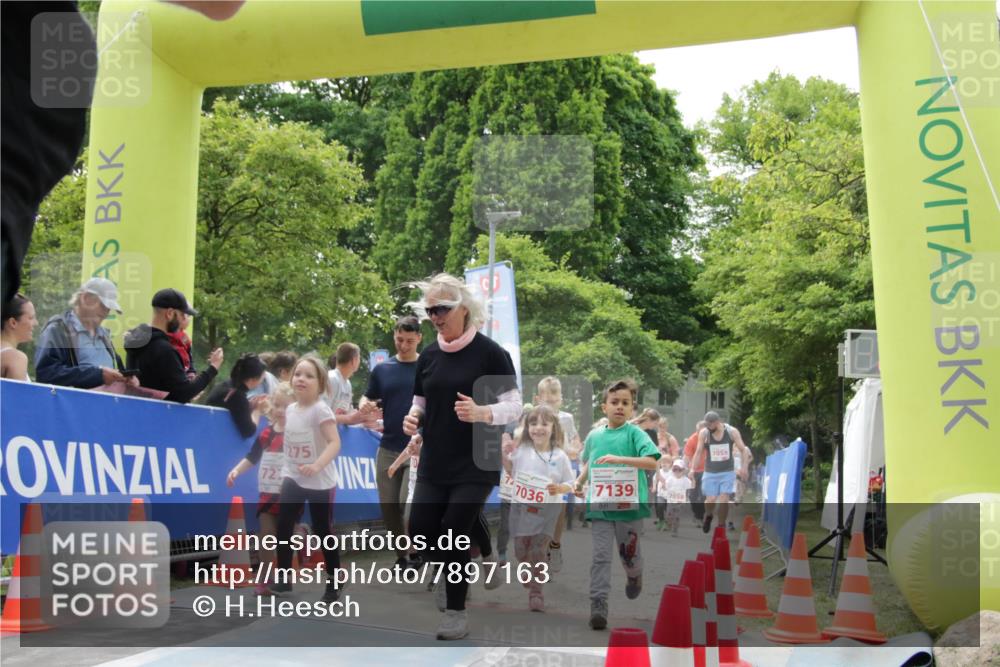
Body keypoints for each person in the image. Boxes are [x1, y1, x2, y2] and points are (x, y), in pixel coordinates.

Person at [402, 273, 522, 641]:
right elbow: (420, 399)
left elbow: (515, 407)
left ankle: (456, 611)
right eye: (430, 310)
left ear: (464, 308)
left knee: (454, 531)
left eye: (442, 308)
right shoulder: (429, 357)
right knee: (421, 530)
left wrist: (484, 413)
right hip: (437, 458)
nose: (435, 316)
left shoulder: (490, 353)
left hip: (477, 458)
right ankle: (477, 557)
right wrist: (414, 417)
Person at [574, 378, 660, 631]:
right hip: (601, 506)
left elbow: (652, 463)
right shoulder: (595, 436)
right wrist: (579, 481)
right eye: (615, 402)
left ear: (633, 408)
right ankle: (598, 604)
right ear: (604, 407)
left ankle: (635, 576)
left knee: (628, 555)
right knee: (600, 556)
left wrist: (621, 459)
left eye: (625, 403)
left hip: (629, 506)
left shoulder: (636, 434)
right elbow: (590, 462)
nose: (619, 407)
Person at [271, 356, 342, 602]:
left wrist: (316, 464)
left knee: (323, 530)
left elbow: (335, 443)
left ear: (320, 384)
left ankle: (334, 581)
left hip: (320, 479)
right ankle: (283, 578)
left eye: (309, 375)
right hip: (293, 475)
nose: (301, 379)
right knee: (284, 524)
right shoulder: (290, 409)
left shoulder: (320, 410)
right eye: (298, 374)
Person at [360, 316, 422, 568]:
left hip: (417, 448)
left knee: (406, 504)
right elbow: (368, 396)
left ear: (419, 338)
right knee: (388, 506)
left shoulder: (426, 367)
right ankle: (403, 556)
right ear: (394, 336)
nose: (404, 345)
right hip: (388, 446)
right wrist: (363, 403)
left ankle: (417, 550)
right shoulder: (382, 369)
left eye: (409, 340)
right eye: (399, 339)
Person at [502, 405, 575, 612]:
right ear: (527, 428)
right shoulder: (522, 450)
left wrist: (560, 487)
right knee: (520, 551)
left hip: (546, 515)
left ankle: (537, 592)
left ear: (554, 428)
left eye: (544, 423)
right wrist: (503, 454)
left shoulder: (560, 456)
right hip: (521, 512)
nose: (538, 428)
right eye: (533, 423)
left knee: (538, 551)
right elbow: (510, 471)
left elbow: (571, 483)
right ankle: (526, 567)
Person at [226, 382, 295, 595]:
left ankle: (284, 574)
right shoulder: (266, 434)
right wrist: (236, 471)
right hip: (267, 493)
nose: (281, 411)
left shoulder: (297, 434)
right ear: (272, 407)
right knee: (266, 536)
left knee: (285, 537)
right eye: (278, 405)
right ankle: (266, 579)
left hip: (289, 495)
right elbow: (252, 457)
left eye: (286, 406)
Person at [124, 288, 223, 403]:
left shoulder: (138, 341)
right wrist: (213, 368)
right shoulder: (164, 349)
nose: (183, 320)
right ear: (170, 313)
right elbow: (184, 393)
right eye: (182, 314)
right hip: (161, 416)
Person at [35, 278, 129, 389]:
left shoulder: (105, 336)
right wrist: (97, 375)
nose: (106, 312)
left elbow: (110, 373)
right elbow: (45, 374)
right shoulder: (57, 330)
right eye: (103, 305)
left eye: (109, 308)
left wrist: (125, 378)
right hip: (74, 405)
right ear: (85, 298)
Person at [533, 376, 581, 567]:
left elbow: (575, 440)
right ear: (538, 398)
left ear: (561, 398)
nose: (551, 400)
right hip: (537, 470)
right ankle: (540, 554)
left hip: (559, 470)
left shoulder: (566, 418)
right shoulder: (532, 417)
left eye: (555, 396)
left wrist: (574, 449)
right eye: (546, 396)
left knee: (558, 511)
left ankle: (555, 545)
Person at [688, 411, 751, 534]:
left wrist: (744, 468)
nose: (708, 428)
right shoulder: (704, 433)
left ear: (718, 422)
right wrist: (692, 469)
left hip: (727, 471)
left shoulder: (732, 432)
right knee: (710, 499)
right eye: (706, 425)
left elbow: (744, 450)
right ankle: (709, 515)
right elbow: (699, 451)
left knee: (724, 498)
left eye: (710, 425)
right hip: (710, 471)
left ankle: (721, 525)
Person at [206, 354, 268, 438]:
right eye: (262, 379)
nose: (261, 382)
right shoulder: (237, 396)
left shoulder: (222, 386)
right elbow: (249, 431)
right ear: (253, 379)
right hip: (218, 439)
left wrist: (249, 406)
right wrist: (257, 410)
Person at [1, 293, 36, 381]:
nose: (35, 323)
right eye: (31, 318)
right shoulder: (16, 358)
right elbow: (17, 395)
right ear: (13, 322)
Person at [658, 458, 692, 536]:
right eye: (675, 469)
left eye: (679, 470)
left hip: (680, 501)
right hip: (671, 500)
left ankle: (674, 530)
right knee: (669, 515)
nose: (677, 472)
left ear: (683, 470)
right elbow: (666, 485)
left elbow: (689, 488)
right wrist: (664, 487)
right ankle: (668, 523)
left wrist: (687, 496)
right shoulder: (670, 479)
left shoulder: (685, 480)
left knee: (676, 516)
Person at [683, 420, 708, 524]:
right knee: (692, 495)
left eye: (702, 431)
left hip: (706, 471)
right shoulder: (692, 439)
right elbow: (687, 456)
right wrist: (687, 468)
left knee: (702, 495)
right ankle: (696, 513)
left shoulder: (710, 439)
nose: (700, 433)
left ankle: (700, 517)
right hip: (694, 471)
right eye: (698, 431)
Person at [166, 311, 196, 380]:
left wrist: (191, 371)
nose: (188, 319)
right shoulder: (166, 335)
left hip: (184, 375)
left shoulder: (185, 337)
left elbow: (189, 355)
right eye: (187, 315)